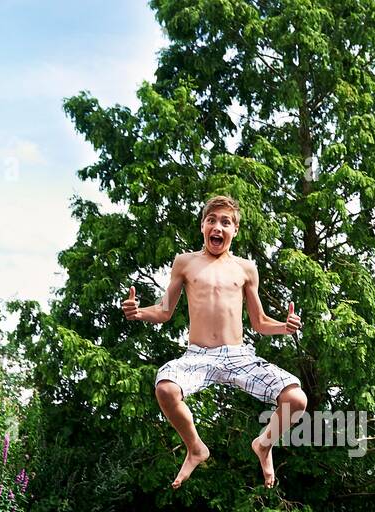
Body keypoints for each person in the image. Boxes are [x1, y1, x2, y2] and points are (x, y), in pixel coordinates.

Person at [122, 195, 308, 488]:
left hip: (238, 356)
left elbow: (259, 322)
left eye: (225, 222)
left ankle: (264, 444)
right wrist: (139, 312)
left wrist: (284, 327)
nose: (217, 227)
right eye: (212, 221)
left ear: (234, 230)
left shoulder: (246, 269)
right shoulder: (185, 263)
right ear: (203, 226)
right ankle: (196, 447)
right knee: (166, 388)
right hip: (198, 356)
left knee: (296, 399)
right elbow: (164, 311)